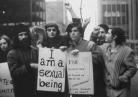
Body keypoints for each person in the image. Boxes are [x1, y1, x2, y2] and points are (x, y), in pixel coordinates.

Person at [66, 22, 106, 97]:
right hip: (76, 88)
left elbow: (100, 60)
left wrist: (81, 56)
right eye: (70, 31)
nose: (72, 33)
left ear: (81, 33)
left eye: (75, 31)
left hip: (91, 87)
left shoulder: (90, 45)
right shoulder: (69, 49)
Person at [104, 27, 137, 97]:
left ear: (114, 36)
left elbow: (133, 68)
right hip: (108, 90)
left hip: (121, 91)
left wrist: (124, 77)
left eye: (108, 33)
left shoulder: (127, 51)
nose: (105, 35)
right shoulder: (106, 48)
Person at [7, 24, 38, 97]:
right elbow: (14, 73)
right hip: (21, 89)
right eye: (20, 35)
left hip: (35, 88)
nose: (24, 37)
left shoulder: (34, 51)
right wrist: (30, 66)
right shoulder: (12, 53)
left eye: (25, 34)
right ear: (16, 37)